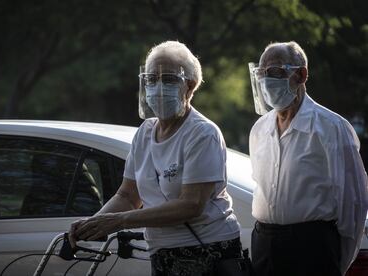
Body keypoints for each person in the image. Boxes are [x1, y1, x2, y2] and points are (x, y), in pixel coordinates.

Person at [69, 41, 242, 276]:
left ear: (190, 87)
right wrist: (94, 224)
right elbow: (128, 195)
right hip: (162, 252)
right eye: (151, 79)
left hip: (207, 251)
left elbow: (190, 205)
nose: (158, 87)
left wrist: (118, 221)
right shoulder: (145, 132)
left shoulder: (202, 133)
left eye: (169, 79)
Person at [248, 41, 368, 276]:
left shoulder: (331, 127)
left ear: (301, 75)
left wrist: (332, 261)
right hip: (264, 245)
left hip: (312, 247)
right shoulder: (259, 129)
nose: (266, 81)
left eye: (275, 72)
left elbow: (353, 204)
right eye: (261, 74)